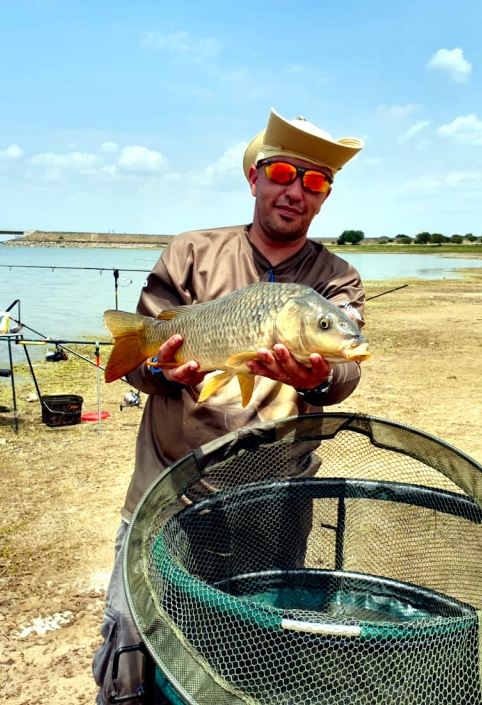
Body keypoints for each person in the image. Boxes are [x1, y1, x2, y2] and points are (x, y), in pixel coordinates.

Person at [92, 109, 367, 705]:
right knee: (135, 653)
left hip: (274, 499)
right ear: (254, 178)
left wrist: (318, 380)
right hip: (170, 490)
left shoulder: (336, 278)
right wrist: (162, 369)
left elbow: (345, 368)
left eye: (315, 182)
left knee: (252, 653)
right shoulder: (191, 253)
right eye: (284, 173)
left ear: (323, 198)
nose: (296, 191)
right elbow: (143, 359)